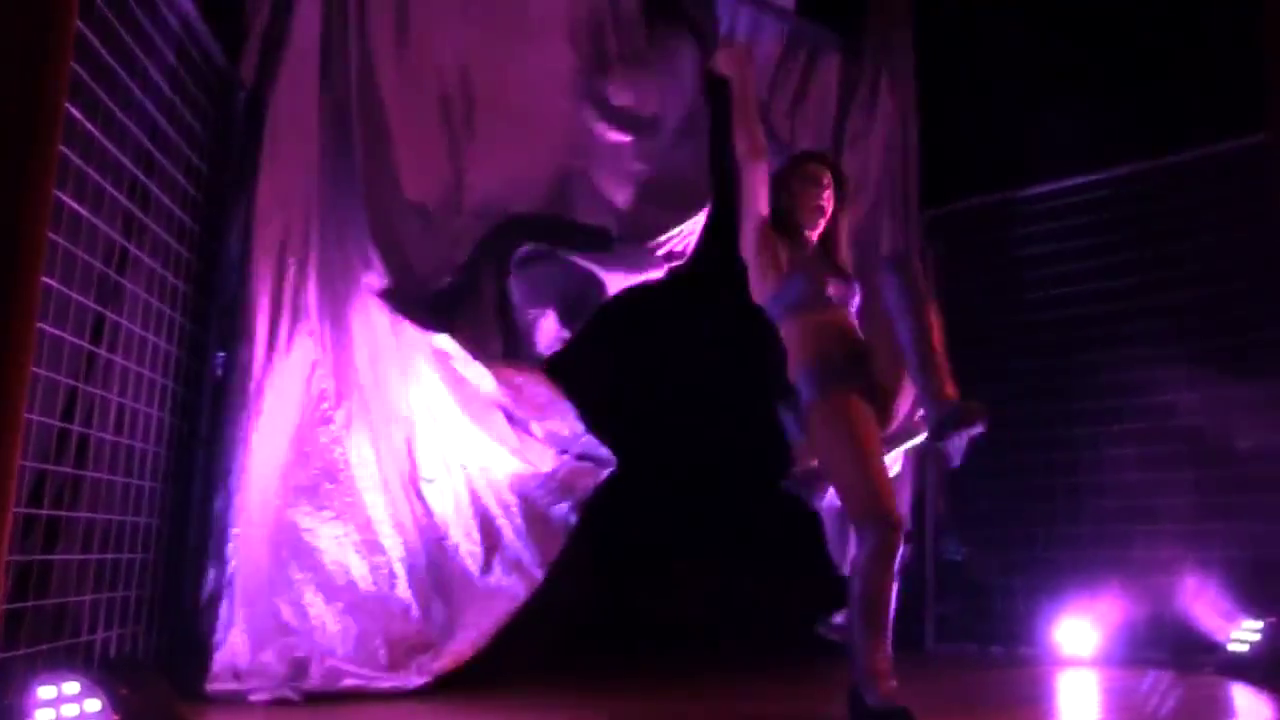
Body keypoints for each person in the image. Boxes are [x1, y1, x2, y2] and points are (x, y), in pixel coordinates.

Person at [712, 45, 984, 718]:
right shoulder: (767, 251)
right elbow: (750, 156)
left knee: (901, 272)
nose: (825, 194)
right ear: (785, 192)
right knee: (883, 530)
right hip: (830, 393)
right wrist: (740, 79)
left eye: (831, 188)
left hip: (874, 385)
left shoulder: (835, 266)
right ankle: (872, 685)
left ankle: (942, 406)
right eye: (812, 182)